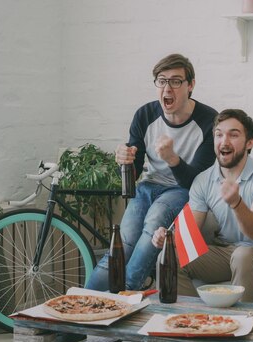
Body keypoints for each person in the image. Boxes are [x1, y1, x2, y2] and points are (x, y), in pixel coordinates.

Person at [85, 53, 217, 291]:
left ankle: (127, 291)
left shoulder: (209, 121)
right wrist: (124, 161)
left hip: (182, 190)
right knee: (123, 242)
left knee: (155, 218)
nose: (168, 88)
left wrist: (173, 159)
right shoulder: (145, 115)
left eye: (176, 81)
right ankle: (80, 309)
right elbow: (133, 174)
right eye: (162, 80)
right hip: (148, 186)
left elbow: (196, 182)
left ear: (191, 85)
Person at [152, 109, 253, 302]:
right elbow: (190, 232)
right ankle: (194, 321)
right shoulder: (203, 180)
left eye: (233, 135)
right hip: (225, 251)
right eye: (219, 134)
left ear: (250, 142)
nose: (224, 141)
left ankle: (243, 324)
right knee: (167, 258)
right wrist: (167, 238)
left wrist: (236, 203)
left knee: (242, 255)